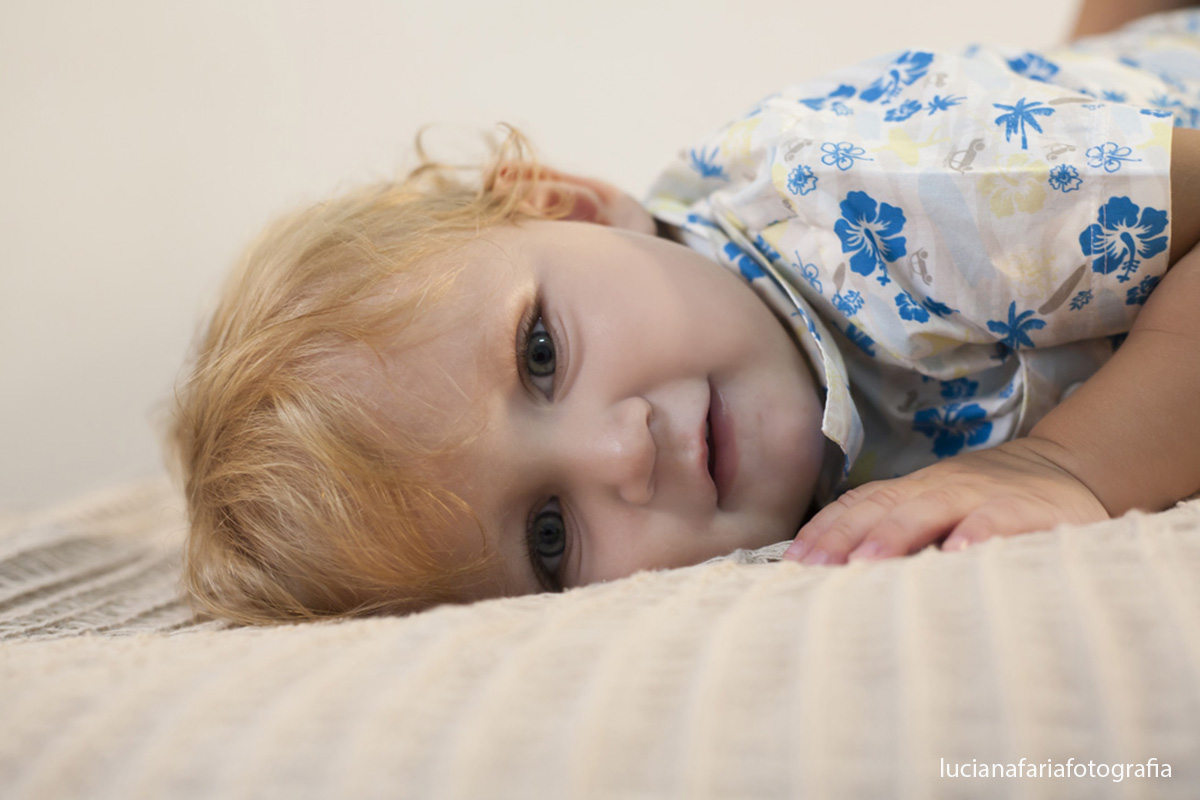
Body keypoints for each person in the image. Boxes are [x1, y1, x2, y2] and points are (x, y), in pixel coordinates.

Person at [170, 2, 1200, 623]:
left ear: (569, 207)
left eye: (540, 354)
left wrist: (1068, 465)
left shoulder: (882, 202)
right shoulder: (789, 487)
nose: (621, 450)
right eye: (547, 535)